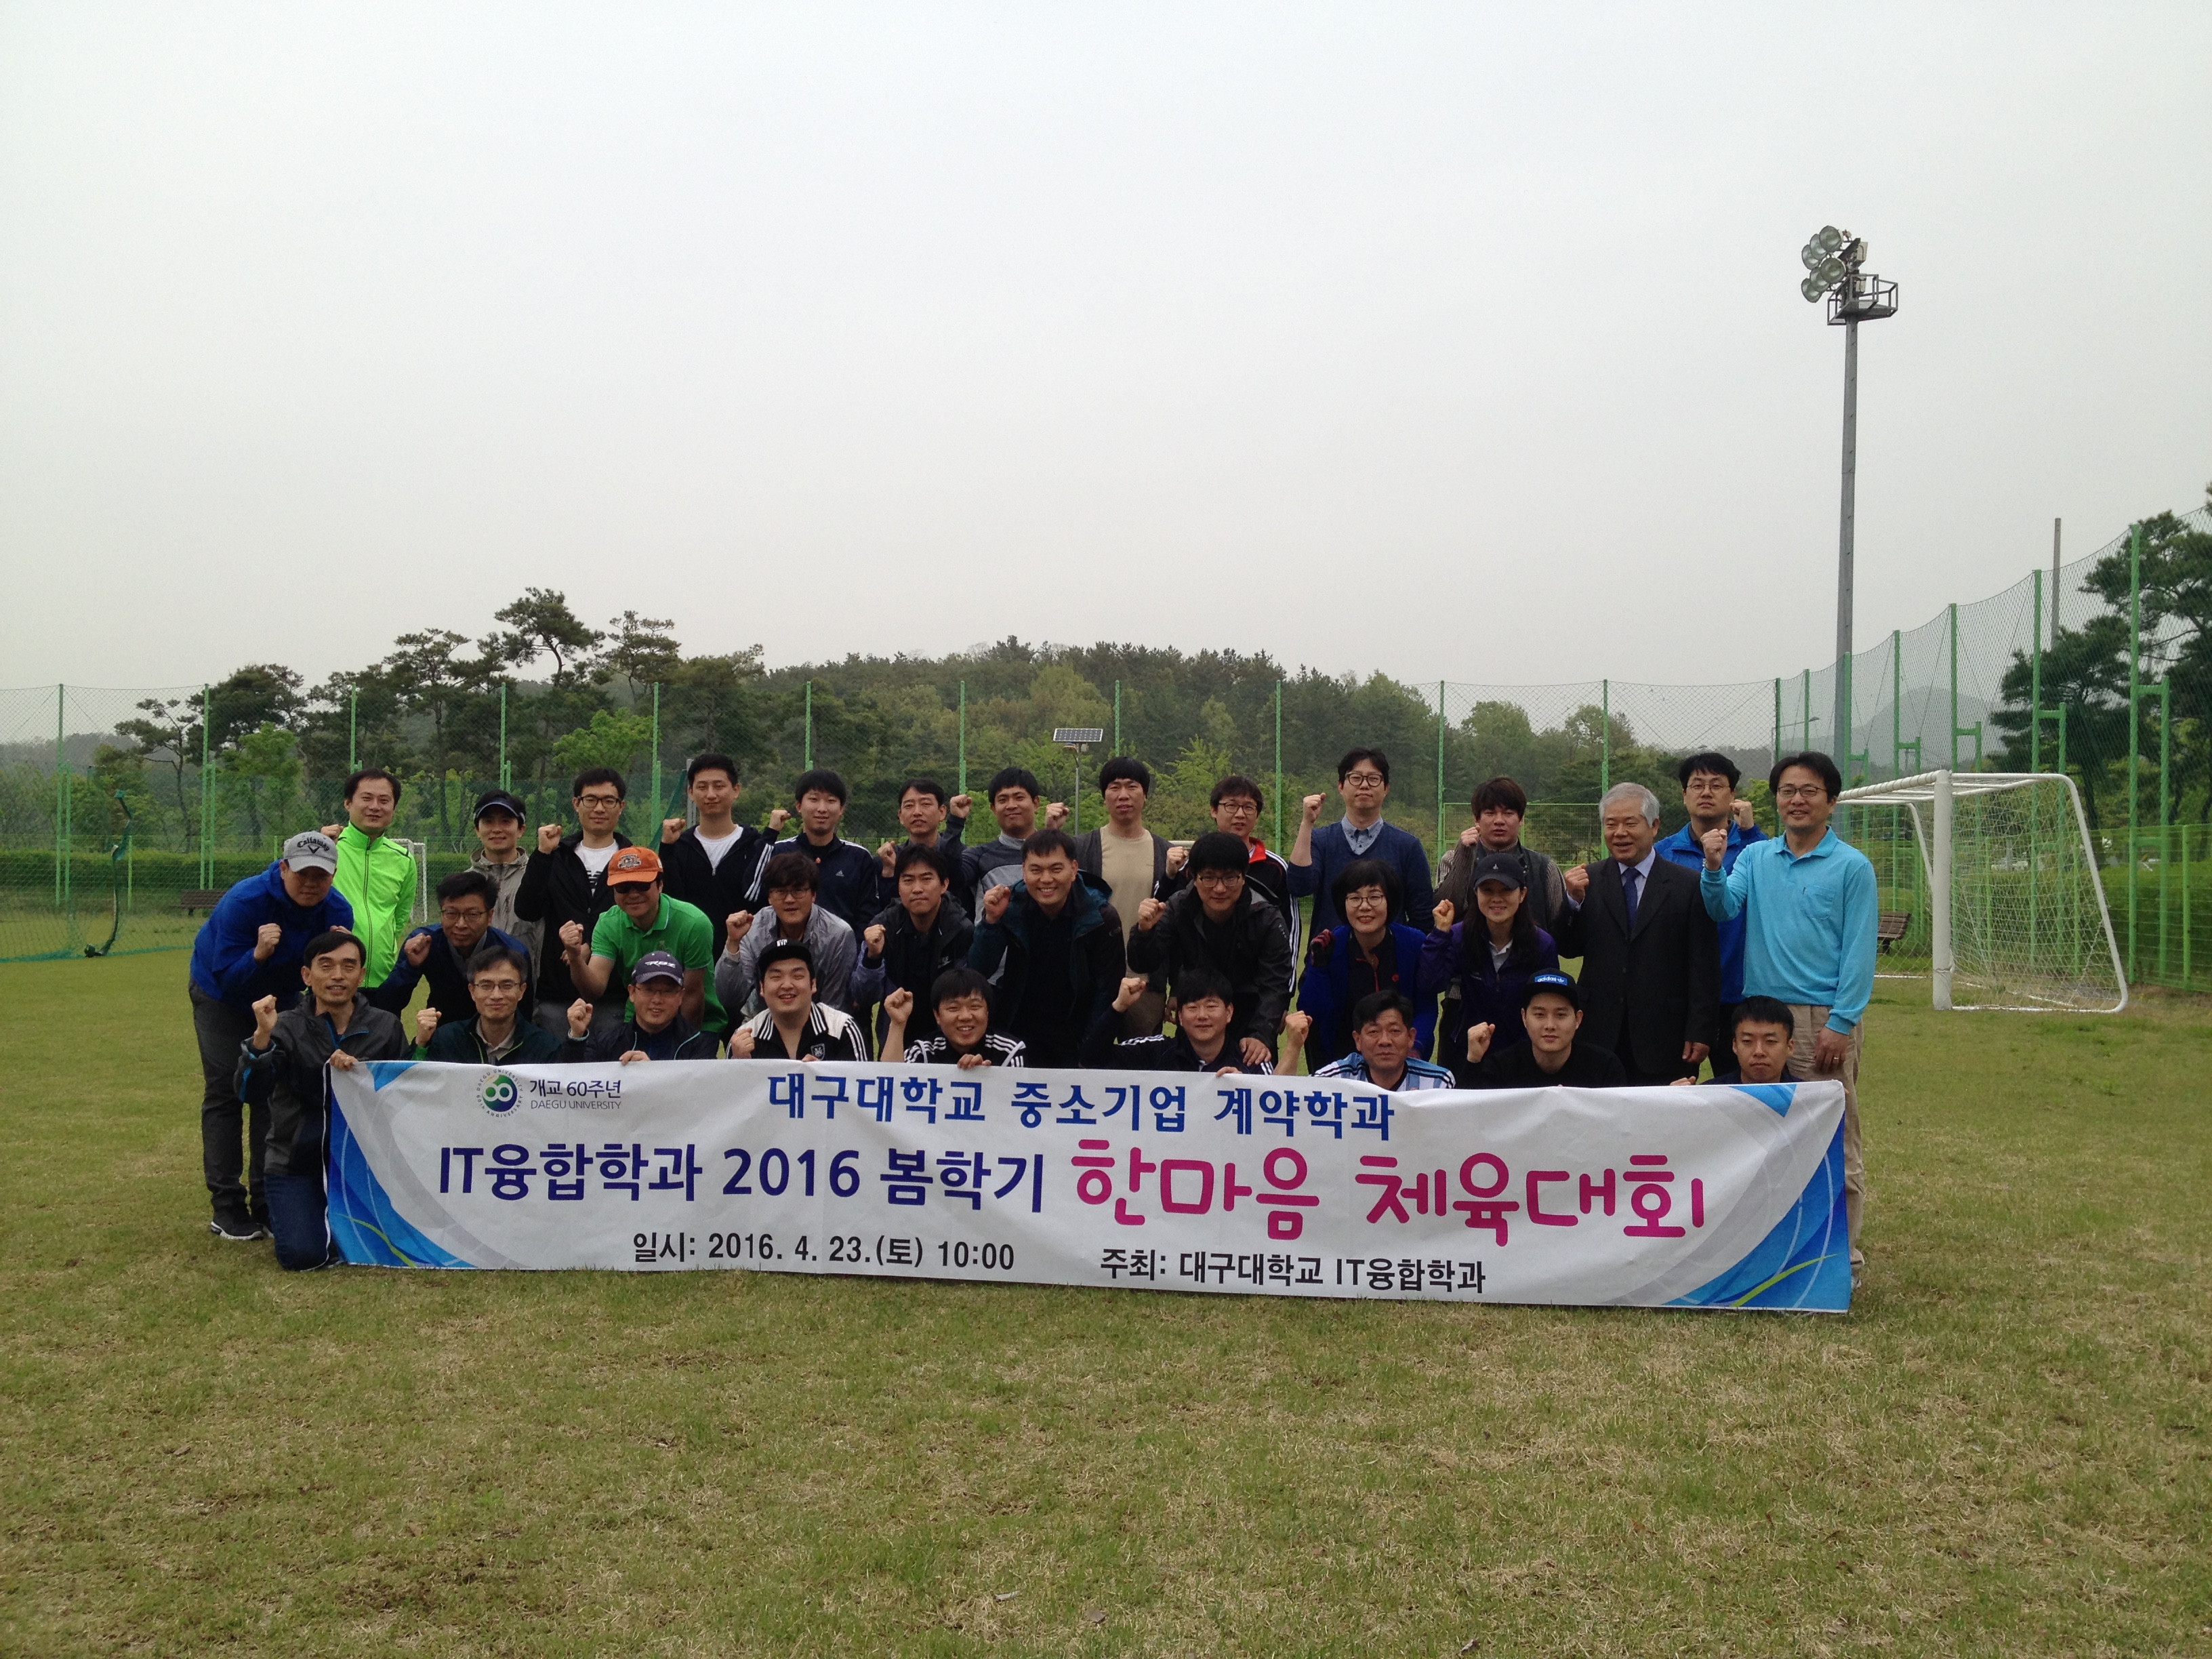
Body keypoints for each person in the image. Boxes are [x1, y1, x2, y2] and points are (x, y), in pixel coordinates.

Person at [1699, 750, 1879, 1273]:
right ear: (1776, 799)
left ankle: (1841, 1260)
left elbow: (1859, 953)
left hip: (1823, 1019)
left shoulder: (1852, 867)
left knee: (1833, 1136)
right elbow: (1722, 907)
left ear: (1831, 801)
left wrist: (1840, 1024)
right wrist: (1714, 867)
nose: (1797, 800)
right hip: (1763, 1017)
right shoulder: (1755, 858)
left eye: (1809, 791)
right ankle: (1771, 1248)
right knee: (1766, 1138)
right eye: (1787, 791)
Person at [186, 830, 354, 1242]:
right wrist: (258, 955)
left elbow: (327, 975)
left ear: (333, 875)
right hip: (221, 996)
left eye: (321, 875)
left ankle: (267, 1201)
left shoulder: (338, 910)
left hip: (283, 998)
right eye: (302, 874)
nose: (311, 884)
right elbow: (228, 978)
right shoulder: (245, 902)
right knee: (227, 1092)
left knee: (274, 1091)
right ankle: (227, 1206)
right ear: (283, 869)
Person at [236, 929, 408, 1270]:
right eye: (326, 966)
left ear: (361, 975)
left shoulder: (386, 1026)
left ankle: (339, 1222)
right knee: (303, 1256)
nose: (337, 976)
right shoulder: (284, 1026)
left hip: (365, 1166)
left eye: (349, 966)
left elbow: (403, 1096)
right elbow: (248, 1092)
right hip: (298, 1163)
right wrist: (262, 1038)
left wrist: (363, 1073)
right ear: (307, 975)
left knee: (394, 1244)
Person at [1552, 782, 1719, 1086]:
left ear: (1654, 826)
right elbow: (1569, 948)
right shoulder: (1588, 881)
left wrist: (1701, 1028)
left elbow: (1703, 964)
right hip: (1598, 1032)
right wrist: (1572, 902)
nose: (1620, 833)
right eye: (1611, 824)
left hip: (1664, 1034)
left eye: (1630, 823)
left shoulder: (1688, 885)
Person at [1126, 831, 1292, 1066]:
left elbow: (1275, 984)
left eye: (1230, 878)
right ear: (1195, 878)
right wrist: (1144, 932)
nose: (1220, 888)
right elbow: (1143, 962)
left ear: (1244, 877)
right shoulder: (1178, 907)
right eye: (1209, 878)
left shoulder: (1266, 916)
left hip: (1249, 1024)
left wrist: (1261, 1035)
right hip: (1197, 1021)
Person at [966, 827, 1125, 1067]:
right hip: (1018, 1031)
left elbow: (1106, 991)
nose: (1046, 879)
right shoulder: (1011, 906)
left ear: (1074, 869)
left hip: (1075, 1033)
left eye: (1056, 869)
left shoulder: (1101, 917)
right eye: (1036, 870)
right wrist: (991, 921)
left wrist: (1090, 1050)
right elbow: (979, 970)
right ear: (1024, 871)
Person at [1654, 751, 1767, 1059]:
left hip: (1742, 994)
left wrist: (1750, 833)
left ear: (1732, 795)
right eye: (1697, 785)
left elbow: (1772, 880)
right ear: (1684, 794)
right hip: (1681, 995)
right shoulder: (1663, 854)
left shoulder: (1755, 849)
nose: (1706, 792)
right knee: (1677, 1082)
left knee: (1744, 1082)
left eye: (1716, 785)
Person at [514, 767, 633, 1040]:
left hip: (614, 995)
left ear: (621, 806)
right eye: (590, 799)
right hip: (558, 994)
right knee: (557, 1065)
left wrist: (592, 946)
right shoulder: (557, 855)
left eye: (609, 800)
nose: (599, 808)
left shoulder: (633, 859)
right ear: (576, 804)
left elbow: (641, 915)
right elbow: (527, 909)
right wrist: (542, 854)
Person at [1417, 851, 1560, 1064]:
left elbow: (1549, 1003)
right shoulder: (1459, 936)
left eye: (1506, 890)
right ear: (1476, 893)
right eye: (1487, 890)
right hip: (1469, 1051)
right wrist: (1440, 934)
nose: (1496, 898)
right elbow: (1430, 983)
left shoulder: (1542, 944)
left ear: (1522, 894)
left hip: (1523, 1055)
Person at [1296, 859, 1437, 1070]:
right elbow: (1310, 1013)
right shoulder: (1330, 945)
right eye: (1355, 898)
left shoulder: (1413, 943)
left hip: (1402, 1061)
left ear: (1390, 900)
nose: (1364, 906)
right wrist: (1318, 968)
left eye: (1374, 897)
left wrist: (1415, 1049)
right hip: (1342, 1063)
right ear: (1343, 903)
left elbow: (1426, 1007)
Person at [1159, 774, 1301, 981]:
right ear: (1214, 810)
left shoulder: (1275, 867)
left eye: (1249, 807)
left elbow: (1291, 929)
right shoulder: (1194, 865)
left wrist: (1285, 987)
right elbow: (1165, 918)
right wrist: (1169, 875)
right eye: (1231, 805)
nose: (1240, 814)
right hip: (1201, 986)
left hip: (1256, 987)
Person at [563, 845, 720, 1031]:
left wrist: (683, 1044)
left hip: (697, 1023)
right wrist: (575, 956)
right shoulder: (608, 923)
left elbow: (692, 994)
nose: (633, 894)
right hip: (640, 1020)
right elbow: (594, 990)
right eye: (623, 887)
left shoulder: (694, 923)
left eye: (642, 885)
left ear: (660, 885)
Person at [1073, 757, 1173, 1033]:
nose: (1123, 795)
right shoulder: (1081, 849)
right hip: (1095, 980)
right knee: (1090, 1055)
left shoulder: (1165, 853)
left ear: (1145, 795)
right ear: (1104, 796)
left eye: (1132, 786)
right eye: (1114, 787)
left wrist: (1176, 988)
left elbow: (1175, 927)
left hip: (1145, 983)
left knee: (1142, 1057)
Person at [1288, 747, 1433, 935]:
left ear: (1386, 789)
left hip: (1388, 953)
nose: (1364, 785)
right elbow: (1299, 887)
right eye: (1355, 778)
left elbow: (1422, 917)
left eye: (1373, 779)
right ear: (1341, 786)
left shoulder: (1408, 847)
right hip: (1330, 951)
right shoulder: (1320, 840)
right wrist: (1307, 823)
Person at [659, 753, 781, 972]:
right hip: (691, 963)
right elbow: (671, 903)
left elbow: (762, 902)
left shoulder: (755, 845)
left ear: (736, 790)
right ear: (691, 792)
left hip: (748, 961)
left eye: (719, 786)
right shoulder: (678, 846)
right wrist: (666, 849)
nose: (711, 794)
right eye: (702, 787)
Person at [369, 869, 533, 1028]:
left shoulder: (512, 953)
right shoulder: (424, 943)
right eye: (451, 913)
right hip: (440, 1034)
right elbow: (386, 1005)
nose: (461, 924)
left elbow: (523, 1016)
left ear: (490, 916)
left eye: (472, 915)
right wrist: (410, 967)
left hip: (493, 1036)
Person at [852, 843, 973, 1050]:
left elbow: (964, 996)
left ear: (944, 885)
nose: (917, 889)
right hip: (896, 1031)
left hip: (947, 1038)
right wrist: (873, 957)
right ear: (898, 886)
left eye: (926, 879)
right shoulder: (884, 926)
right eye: (908, 880)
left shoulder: (960, 928)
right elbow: (863, 997)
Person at [715, 851, 859, 1015]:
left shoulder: (838, 935)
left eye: (798, 891)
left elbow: (833, 1007)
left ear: (813, 894)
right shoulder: (754, 927)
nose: (789, 899)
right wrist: (733, 943)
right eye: (781, 891)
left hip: (820, 1022)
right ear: (769, 897)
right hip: (763, 1018)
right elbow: (728, 998)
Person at [1433, 777, 1568, 939]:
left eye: (1508, 813)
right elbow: (1444, 913)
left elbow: (1561, 929)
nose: (1499, 821)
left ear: (1521, 819)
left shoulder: (1544, 867)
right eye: (1490, 813)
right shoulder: (1452, 859)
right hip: (1467, 952)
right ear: (1476, 819)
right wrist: (1463, 858)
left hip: (1529, 952)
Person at [1080, 970, 1275, 1076]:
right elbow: (1092, 1059)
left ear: (1229, 1012)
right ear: (1180, 1016)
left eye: (1211, 1006)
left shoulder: (1251, 1060)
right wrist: (1119, 1006)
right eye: (1192, 1008)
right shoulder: (1156, 1051)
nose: (1202, 1016)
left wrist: (1245, 1088)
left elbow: (1274, 1112)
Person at [1460, 972, 1629, 1089]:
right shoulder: (1501, 1069)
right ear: (1524, 1017)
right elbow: (1467, 1116)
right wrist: (1474, 1060)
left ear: (1578, 1019)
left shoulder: (1605, 1069)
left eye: (1560, 1015)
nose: (1550, 1025)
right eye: (1540, 1015)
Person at [328, 768, 415, 989]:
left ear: (394, 808)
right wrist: (322, 846)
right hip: (331, 978)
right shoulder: (328, 849)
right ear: (348, 803)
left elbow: (399, 917)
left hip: (382, 980)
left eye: (384, 800)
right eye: (366, 798)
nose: (375, 807)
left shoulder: (403, 859)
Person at [413, 945, 567, 1064]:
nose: (496, 995)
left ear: (522, 991)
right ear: (472, 991)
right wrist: (421, 1042)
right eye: (486, 986)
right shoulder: (447, 1040)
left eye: (506, 985)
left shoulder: (545, 1047)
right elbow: (412, 1084)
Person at [562, 950, 720, 1062]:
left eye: (667, 992)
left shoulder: (699, 1046)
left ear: (680, 997)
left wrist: (650, 1075)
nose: (657, 999)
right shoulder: (607, 1041)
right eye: (648, 990)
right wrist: (576, 1037)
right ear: (632, 993)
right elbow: (572, 1086)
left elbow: (700, 1096)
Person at [728, 939, 871, 1062]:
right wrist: (740, 1064)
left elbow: (861, 1084)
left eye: (797, 976)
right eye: (776, 977)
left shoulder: (842, 1029)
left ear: (813, 984)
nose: (787, 985)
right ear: (762, 988)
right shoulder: (744, 1038)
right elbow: (730, 1086)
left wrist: (822, 1075)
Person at [959, 766, 1069, 912]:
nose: (1011, 806)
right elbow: (951, 876)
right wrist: (956, 822)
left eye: (1019, 798)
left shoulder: (1066, 850)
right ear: (993, 808)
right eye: (1003, 800)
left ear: (1036, 803)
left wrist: (1051, 836)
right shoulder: (978, 856)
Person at [1311, 991, 1456, 1092]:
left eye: (1394, 1031)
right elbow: (1298, 1096)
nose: (1385, 1041)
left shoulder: (1437, 1083)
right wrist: (1297, 1045)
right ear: (1358, 1040)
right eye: (1374, 1032)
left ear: (1411, 1037)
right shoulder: (1337, 1079)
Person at [883, 966, 1026, 1067]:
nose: (965, 1016)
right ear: (937, 1015)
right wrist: (898, 1024)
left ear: (987, 1012)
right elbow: (890, 1084)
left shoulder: (1010, 1051)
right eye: (953, 1008)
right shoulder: (924, 1051)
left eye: (975, 1006)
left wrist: (984, 1080)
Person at [873, 776, 972, 909]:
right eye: (909, 806)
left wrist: (956, 822)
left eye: (925, 804)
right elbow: (885, 912)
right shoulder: (887, 860)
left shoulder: (963, 856)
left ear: (942, 812)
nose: (917, 812)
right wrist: (889, 873)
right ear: (901, 816)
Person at [470, 789, 541, 964]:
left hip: (530, 978)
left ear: (521, 829)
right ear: (477, 830)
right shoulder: (467, 883)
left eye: (506, 821)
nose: (497, 829)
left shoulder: (539, 877)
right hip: (478, 979)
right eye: (488, 822)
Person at [1673, 996, 1804, 1088]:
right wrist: (1671, 1104)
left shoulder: (1807, 1097)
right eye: (1748, 1041)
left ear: (1790, 1047)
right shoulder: (1710, 1095)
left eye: (1770, 1041)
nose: (1759, 1051)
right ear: (1735, 1045)